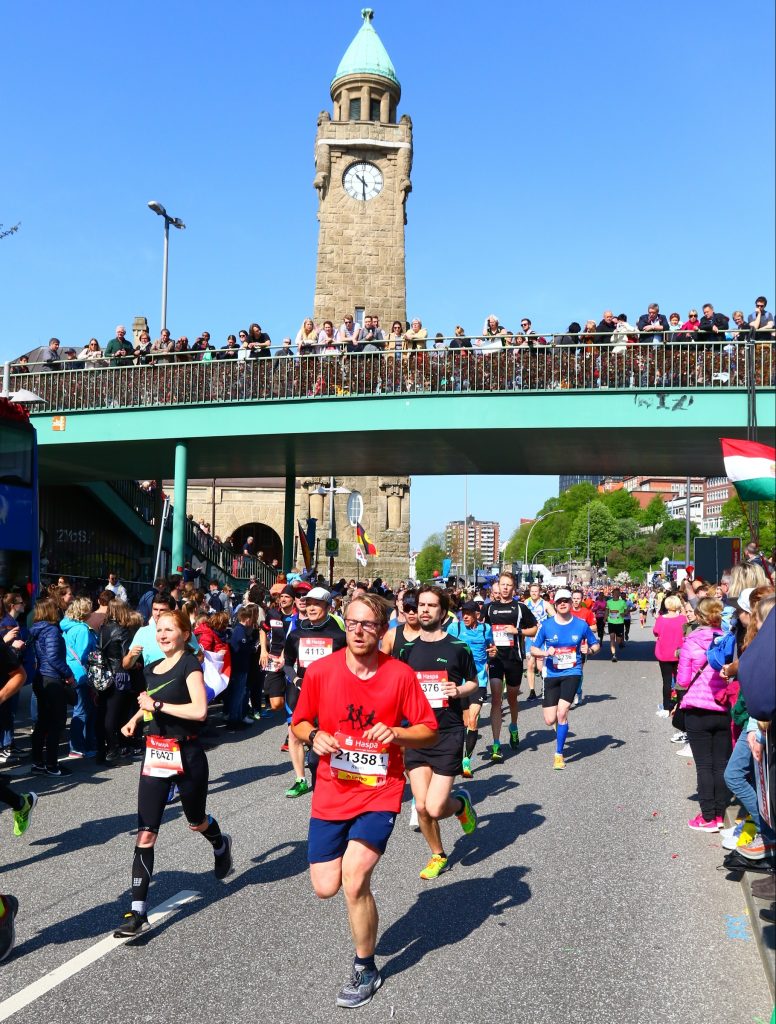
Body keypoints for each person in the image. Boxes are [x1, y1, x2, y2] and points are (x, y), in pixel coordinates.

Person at [290, 593, 437, 1008]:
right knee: (325, 887)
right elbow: (299, 722)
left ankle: (365, 967)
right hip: (332, 790)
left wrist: (398, 734)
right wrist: (313, 735)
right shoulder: (321, 672)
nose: (358, 631)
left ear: (382, 629)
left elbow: (428, 729)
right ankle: (364, 931)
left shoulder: (400, 675)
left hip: (379, 789)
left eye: (368, 625)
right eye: (352, 623)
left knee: (355, 879)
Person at [114, 609, 232, 937]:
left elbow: (198, 711)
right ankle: (138, 912)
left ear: (184, 634)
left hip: (188, 753)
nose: (163, 635)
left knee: (196, 822)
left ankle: (220, 843)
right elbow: (152, 699)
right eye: (159, 630)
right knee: (146, 832)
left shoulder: (190, 665)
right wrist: (136, 719)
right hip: (155, 753)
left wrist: (158, 708)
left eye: (169, 630)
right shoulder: (151, 668)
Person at [395, 586, 479, 880]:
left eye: (432, 605)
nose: (425, 610)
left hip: (448, 733)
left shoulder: (458, 647)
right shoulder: (406, 650)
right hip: (417, 733)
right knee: (420, 806)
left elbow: (474, 683)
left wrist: (458, 690)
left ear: (443, 612)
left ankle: (460, 804)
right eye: (421, 605)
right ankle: (437, 854)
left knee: (435, 805)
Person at [282, 587, 347, 797]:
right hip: (301, 691)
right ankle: (300, 779)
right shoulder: (296, 633)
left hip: (330, 694)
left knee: (327, 734)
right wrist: (296, 678)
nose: (311, 608)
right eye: (308, 603)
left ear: (328, 607)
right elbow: (287, 663)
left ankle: (331, 775)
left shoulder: (339, 636)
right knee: (294, 733)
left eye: (317, 604)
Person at [530, 589, 600, 769]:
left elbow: (596, 644)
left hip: (572, 672)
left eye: (566, 601)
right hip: (552, 674)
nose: (563, 604)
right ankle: (560, 730)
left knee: (562, 712)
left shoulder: (581, 625)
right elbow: (533, 649)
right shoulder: (547, 626)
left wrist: (589, 650)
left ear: (571, 603)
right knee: (549, 719)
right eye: (559, 601)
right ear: (555, 604)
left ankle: (559, 754)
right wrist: (545, 652)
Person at [676, 598, 730, 831]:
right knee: (720, 764)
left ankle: (707, 816)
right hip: (724, 706)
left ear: (699, 616)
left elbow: (683, 680)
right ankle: (720, 814)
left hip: (697, 709)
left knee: (704, 765)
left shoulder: (692, 641)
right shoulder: (729, 639)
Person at [482, 573, 538, 761]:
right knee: (496, 698)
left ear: (513, 589)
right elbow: (483, 632)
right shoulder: (489, 609)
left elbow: (534, 629)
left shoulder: (520, 608)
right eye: (502, 584)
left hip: (514, 659)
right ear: (498, 586)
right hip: (496, 659)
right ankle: (496, 744)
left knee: (512, 698)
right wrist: (487, 648)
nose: (505, 588)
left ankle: (513, 726)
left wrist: (518, 631)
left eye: (509, 585)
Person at [447, 600, 496, 777]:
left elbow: (491, 647)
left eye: (469, 613)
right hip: (459, 683)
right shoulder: (455, 629)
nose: (465, 616)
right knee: (465, 722)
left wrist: (493, 652)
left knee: (474, 719)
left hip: (479, 681)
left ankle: (466, 760)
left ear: (477, 614)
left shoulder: (485, 629)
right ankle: (458, 756)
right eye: (463, 613)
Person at [29, 597, 76, 776]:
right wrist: (68, 674)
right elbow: (54, 657)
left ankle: (38, 763)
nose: (59, 610)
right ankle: (51, 765)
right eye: (57, 608)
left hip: (41, 677)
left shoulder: (37, 630)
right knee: (56, 723)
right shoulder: (51, 631)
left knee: (42, 722)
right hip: (52, 679)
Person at [61, 596, 98, 757]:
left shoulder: (65, 626)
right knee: (82, 710)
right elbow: (85, 654)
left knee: (79, 709)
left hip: (69, 670)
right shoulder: (82, 629)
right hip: (81, 673)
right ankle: (76, 746)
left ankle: (80, 745)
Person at [652, 595, 687, 723]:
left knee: (666, 681)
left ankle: (666, 708)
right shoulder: (683, 619)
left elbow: (656, 632)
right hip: (679, 653)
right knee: (680, 681)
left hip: (664, 653)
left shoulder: (661, 619)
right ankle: (680, 706)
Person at [523, 582, 550, 701]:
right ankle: (532, 691)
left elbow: (554, 618)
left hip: (542, 638)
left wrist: (545, 626)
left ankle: (545, 686)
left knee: (540, 667)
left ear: (540, 592)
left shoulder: (545, 604)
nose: (534, 593)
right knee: (530, 664)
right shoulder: (525, 603)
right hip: (530, 637)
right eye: (532, 591)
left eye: (536, 591)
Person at [606, 586, 627, 661]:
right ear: (612, 594)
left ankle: (620, 642)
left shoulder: (623, 602)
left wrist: (624, 614)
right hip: (611, 622)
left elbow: (626, 610)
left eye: (617, 593)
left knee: (618, 640)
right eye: (614, 593)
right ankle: (614, 655)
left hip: (620, 622)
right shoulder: (608, 602)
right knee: (612, 638)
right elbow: (607, 610)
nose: (616, 595)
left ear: (619, 595)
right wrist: (605, 618)